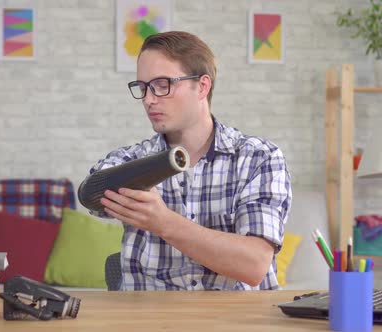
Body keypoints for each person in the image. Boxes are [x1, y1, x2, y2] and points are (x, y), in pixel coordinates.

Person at [87, 31, 291, 290]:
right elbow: (90, 192)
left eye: (162, 85)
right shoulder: (134, 159)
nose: (149, 99)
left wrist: (163, 222)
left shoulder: (259, 158)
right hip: (147, 319)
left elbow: (253, 266)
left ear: (202, 86)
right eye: (143, 87)